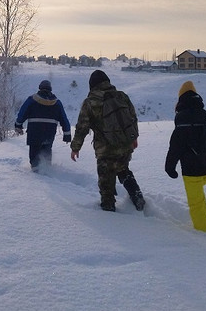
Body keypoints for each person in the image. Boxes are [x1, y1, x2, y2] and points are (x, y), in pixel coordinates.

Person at [70, 70, 145, 212]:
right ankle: (137, 196)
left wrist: (75, 147)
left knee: (106, 179)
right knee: (123, 168)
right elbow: (133, 118)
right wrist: (134, 138)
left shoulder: (90, 102)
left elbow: (82, 127)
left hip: (105, 149)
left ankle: (108, 209)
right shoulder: (122, 96)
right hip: (125, 145)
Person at [165, 80, 206, 232]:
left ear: (181, 99)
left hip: (192, 169)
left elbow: (176, 146)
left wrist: (170, 166)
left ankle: (205, 231)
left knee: (195, 202)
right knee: (199, 193)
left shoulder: (182, 119)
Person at [15, 79, 71, 171]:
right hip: (49, 133)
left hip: (34, 132)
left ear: (40, 88)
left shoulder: (32, 100)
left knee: (34, 153)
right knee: (46, 151)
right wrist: (67, 134)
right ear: (50, 89)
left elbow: (22, 113)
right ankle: (47, 170)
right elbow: (64, 119)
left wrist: (18, 125)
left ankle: (36, 171)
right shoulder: (57, 103)